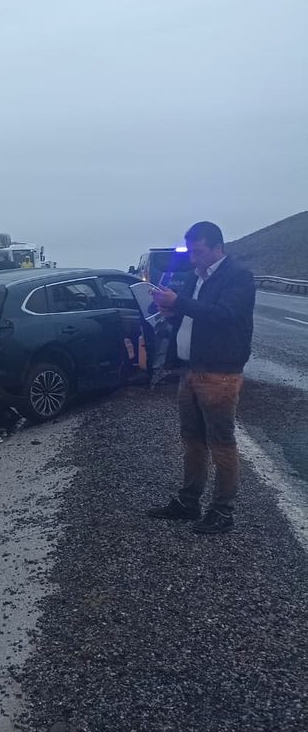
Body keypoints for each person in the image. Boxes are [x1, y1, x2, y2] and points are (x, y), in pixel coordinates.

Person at [147, 221, 255, 535]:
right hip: (191, 369)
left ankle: (222, 511)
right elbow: (192, 317)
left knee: (221, 443)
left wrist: (178, 302)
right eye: (191, 252)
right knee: (192, 440)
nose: (193, 258)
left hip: (220, 374)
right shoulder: (196, 277)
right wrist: (172, 313)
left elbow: (224, 316)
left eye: (199, 252)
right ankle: (189, 501)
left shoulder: (238, 277)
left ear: (217, 247)